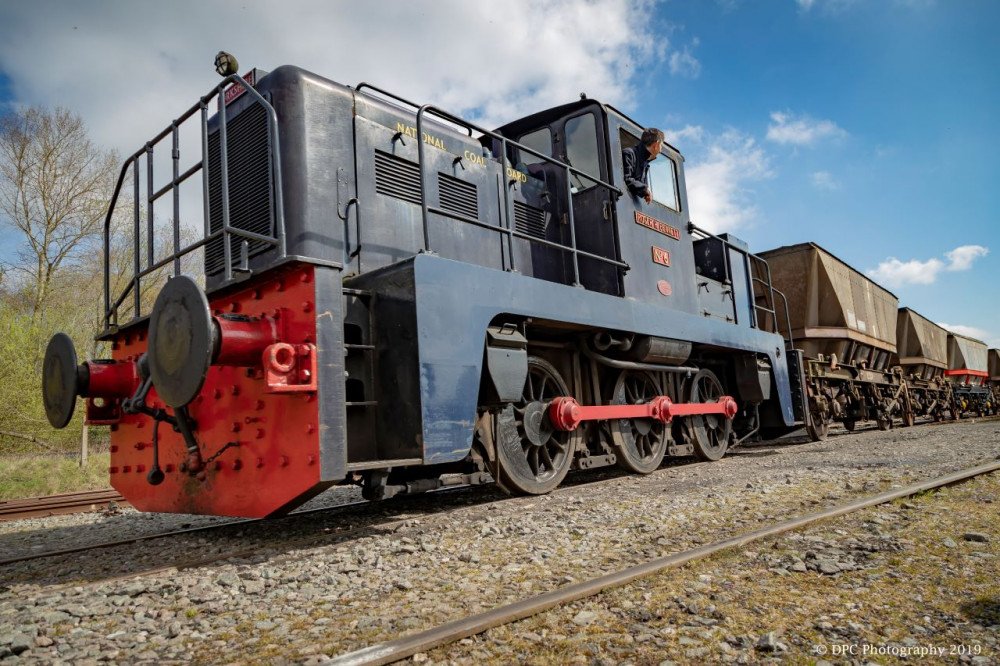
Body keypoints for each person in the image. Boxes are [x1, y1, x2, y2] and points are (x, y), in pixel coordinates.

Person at [622, 128, 664, 203]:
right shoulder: (629, 154)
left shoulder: (645, 163)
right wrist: (645, 190)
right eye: (661, 145)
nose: (661, 150)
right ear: (656, 144)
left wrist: (645, 191)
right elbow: (626, 179)